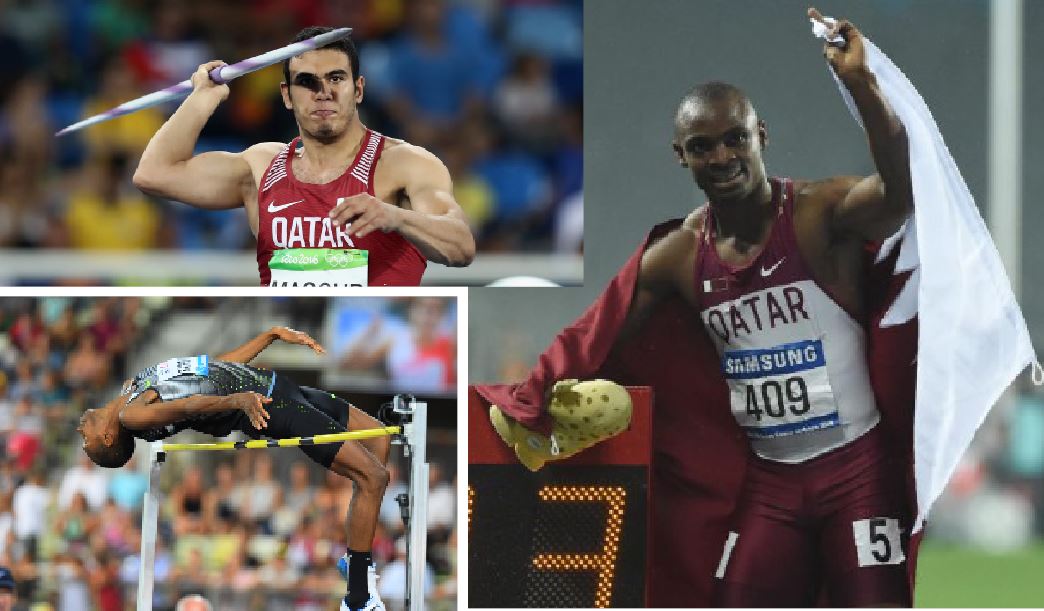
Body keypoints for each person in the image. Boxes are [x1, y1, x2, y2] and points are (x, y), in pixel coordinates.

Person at [479, 9, 920, 607]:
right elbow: (602, 335)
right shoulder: (679, 257)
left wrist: (863, 85)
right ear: (680, 157)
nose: (722, 156)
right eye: (702, 146)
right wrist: (535, 396)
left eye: (735, 138)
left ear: (761, 135)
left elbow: (900, 191)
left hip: (857, 471)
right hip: (773, 481)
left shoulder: (817, 215)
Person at [76, 326, 390, 611]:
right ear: (108, 437)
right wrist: (236, 401)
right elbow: (188, 405)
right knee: (374, 477)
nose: (81, 434)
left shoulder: (130, 387)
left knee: (379, 438)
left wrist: (269, 336)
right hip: (270, 408)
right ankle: (359, 596)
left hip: (276, 386)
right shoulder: (132, 416)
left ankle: (355, 559)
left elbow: (213, 368)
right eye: (88, 443)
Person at [132, 26, 476, 287]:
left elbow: (460, 247)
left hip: (366, 361)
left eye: (335, 79)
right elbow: (153, 174)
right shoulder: (262, 166)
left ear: (357, 90)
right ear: (287, 95)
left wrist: (394, 216)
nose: (323, 92)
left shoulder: (404, 163)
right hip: (287, 352)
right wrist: (201, 100)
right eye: (307, 81)